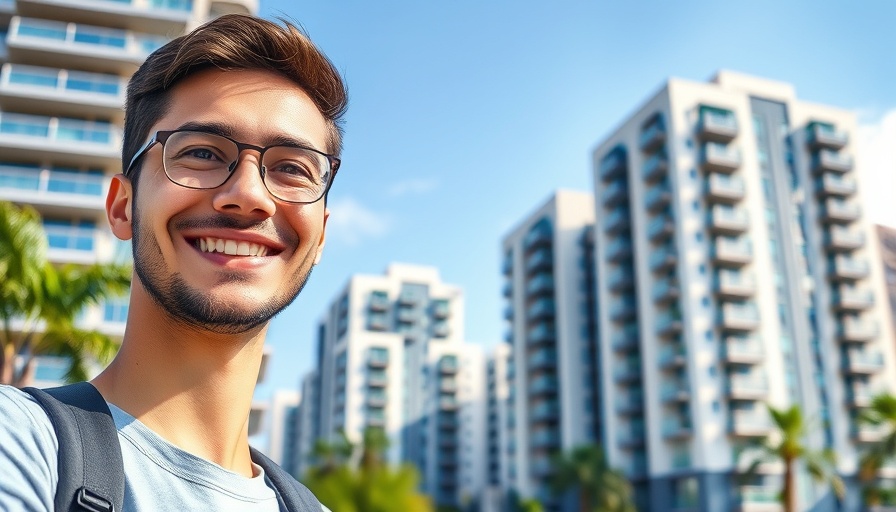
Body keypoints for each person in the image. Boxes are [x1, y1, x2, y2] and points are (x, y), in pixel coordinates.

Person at [0, 13, 347, 511]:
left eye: (292, 168)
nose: (249, 194)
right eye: (202, 152)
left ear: (320, 239)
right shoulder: (22, 447)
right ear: (123, 206)